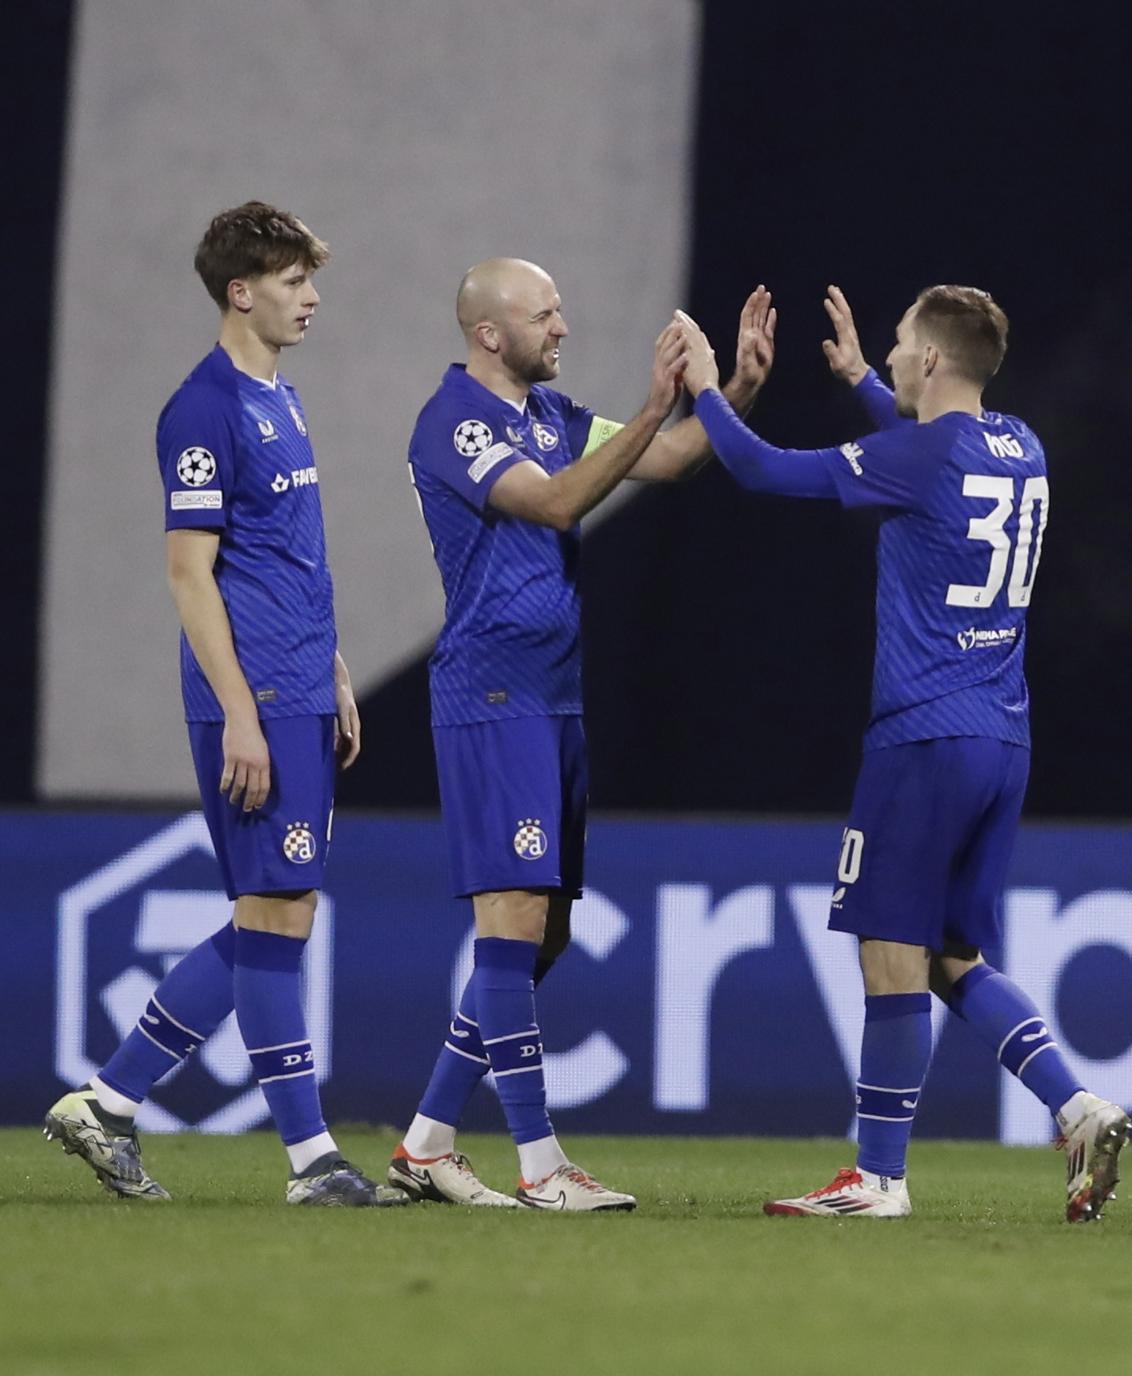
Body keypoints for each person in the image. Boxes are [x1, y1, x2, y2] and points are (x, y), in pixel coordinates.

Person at [674, 285, 1131, 1221]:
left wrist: (707, 390)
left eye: (894, 348)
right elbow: (932, 455)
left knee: (890, 950)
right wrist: (857, 386)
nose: (884, 357)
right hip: (1003, 736)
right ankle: (1078, 1107)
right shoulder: (1020, 444)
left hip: (922, 735)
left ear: (930, 362)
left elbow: (762, 471)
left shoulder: (920, 450)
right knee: (951, 955)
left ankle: (878, 1177)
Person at [386, 261, 773, 1211]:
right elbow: (557, 503)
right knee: (513, 918)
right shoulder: (456, 422)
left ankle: (426, 1146)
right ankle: (541, 1165)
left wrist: (739, 388)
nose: (563, 325)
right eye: (545, 312)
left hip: (553, 699)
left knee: (543, 933)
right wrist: (652, 404)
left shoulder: (552, 418)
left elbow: (675, 461)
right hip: (494, 694)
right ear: (489, 332)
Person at [44, 202, 398, 1206]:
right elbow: (189, 574)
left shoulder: (279, 398)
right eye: (293, 279)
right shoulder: (202, 408)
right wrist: (242, 710)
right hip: (254, 698)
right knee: (277, 911)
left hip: (298, 685)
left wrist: (331, 666)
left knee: (272, 914)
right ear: (242, 289)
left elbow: (287, 556)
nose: (312, 295)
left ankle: (110, 1101)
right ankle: (312, 1159)